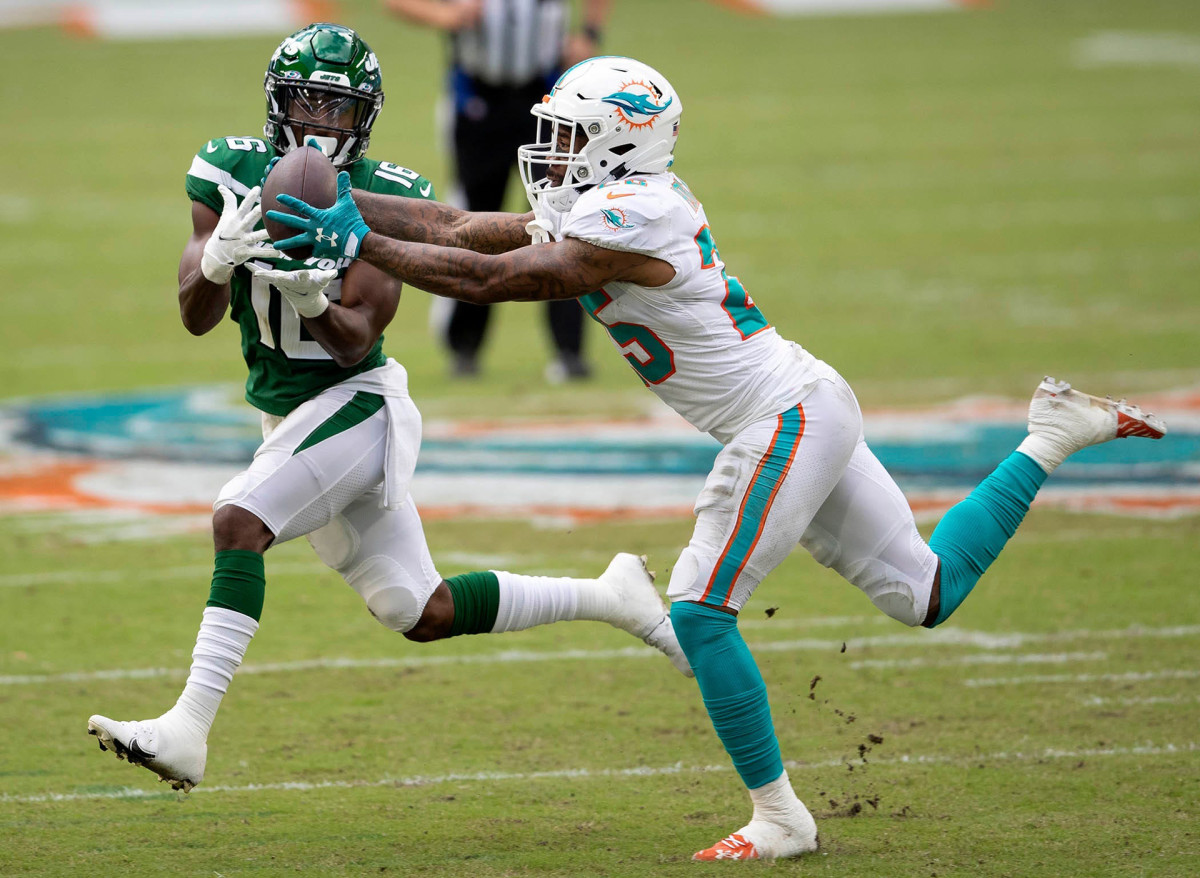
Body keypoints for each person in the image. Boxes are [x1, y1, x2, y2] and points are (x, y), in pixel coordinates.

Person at [265, 55, 1168, 860]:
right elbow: (459, 227)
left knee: (699, 610)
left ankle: (780, 818)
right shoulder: (598, 198)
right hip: (806, 404)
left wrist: (355, 241)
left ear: (620, 145)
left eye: (566, 135)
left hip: (784, 418)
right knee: (926, 592)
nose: (544, 149)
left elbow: (502, 280)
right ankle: (1053, 432)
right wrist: (322, 189)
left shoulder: (636, 210)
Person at [85, 30, 690, 796]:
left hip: (357, 404)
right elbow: (194, 316)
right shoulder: (228, 169)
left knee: (239, 519)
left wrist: (312, 300)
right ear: (277, 102)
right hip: (289, 417)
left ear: (364, 117)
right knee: (420, 608)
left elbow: (355, 341)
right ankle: (610, 596)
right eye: (308, 101)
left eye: (340, 108)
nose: (322, 122)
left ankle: (188, 729)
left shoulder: (383, 190)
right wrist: (212, 262)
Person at [382, 0, 611, 381]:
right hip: (477, 99)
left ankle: (570, 352)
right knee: (474, 222)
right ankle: (465, 348)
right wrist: (447, 16)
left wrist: (589, 33)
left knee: (561, 218)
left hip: (544, 99)